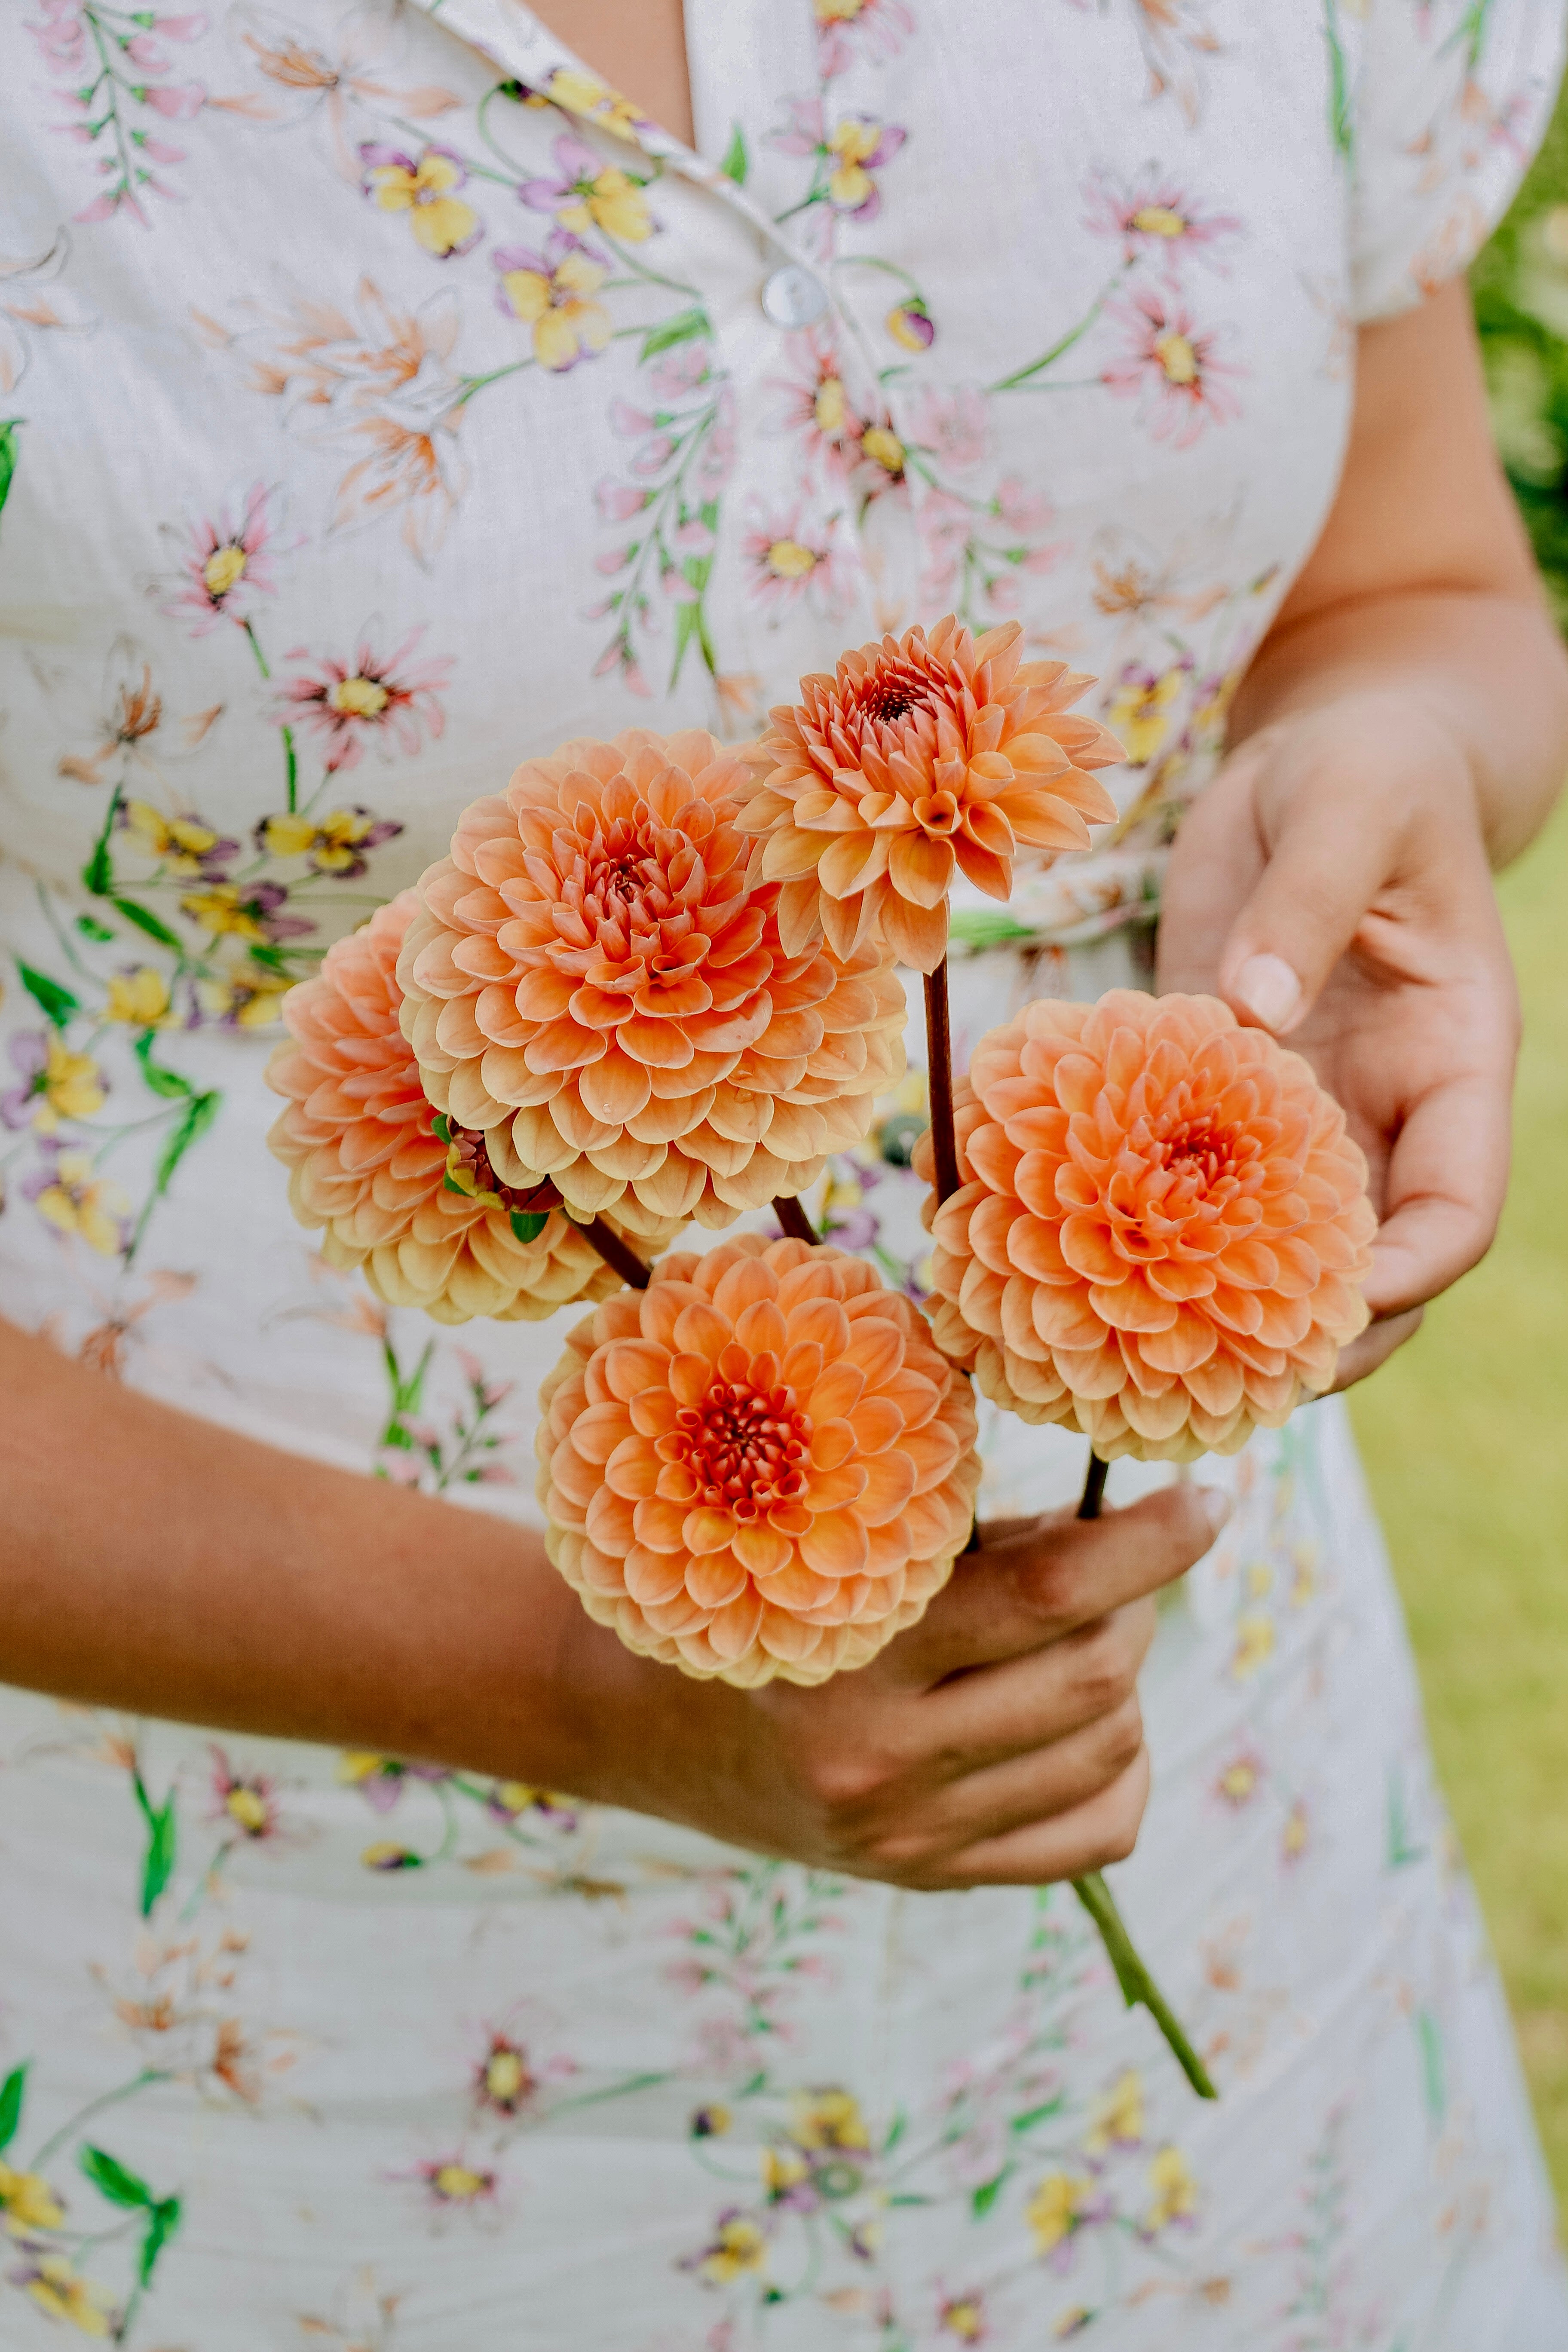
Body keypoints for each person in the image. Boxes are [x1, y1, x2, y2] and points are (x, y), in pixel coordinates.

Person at [1, 0, 1565, 2340]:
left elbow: (1411, 582)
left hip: (1211, 1856)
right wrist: (563, 1674)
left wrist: (1389, 765)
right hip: (281, 1998)